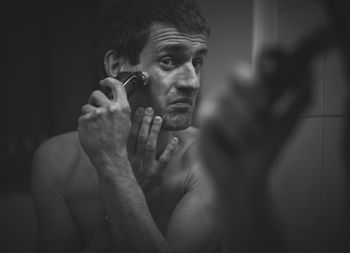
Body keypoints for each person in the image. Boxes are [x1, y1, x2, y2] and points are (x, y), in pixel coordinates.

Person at [31, 0, 220, 252]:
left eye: (197, 62)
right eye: (168, 61)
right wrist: (124, 179)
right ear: (118, 68)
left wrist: (117, 172)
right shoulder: (55, 161)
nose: (192, 82)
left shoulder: (211, 158)